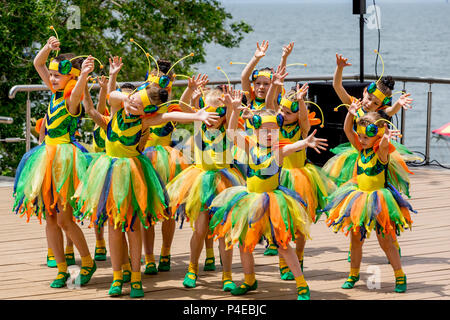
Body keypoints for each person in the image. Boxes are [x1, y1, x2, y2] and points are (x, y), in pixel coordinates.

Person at [75, 61, 220, 297]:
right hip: (108, 172)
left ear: (145, 111)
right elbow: (110, 96)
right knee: (113, 225)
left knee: (132, 226)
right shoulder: (114, 111)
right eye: (132, 99)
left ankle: (135, 277)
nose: (132, 103)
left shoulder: (144, 121)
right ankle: (116, 277)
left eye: (138, 104)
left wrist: (198, 115)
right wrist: (113, 80)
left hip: (132, 173)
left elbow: (169, 114)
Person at [209, 103, 328, 300]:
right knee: (244, 244)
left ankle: (301, 284)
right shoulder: (250, 146)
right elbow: (230, 133)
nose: (271, 135)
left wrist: (305, 143)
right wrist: (235, 110)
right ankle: (249, 279)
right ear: (255, 130)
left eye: (274, 130)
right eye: (265, 131)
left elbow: (292, 146)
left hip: (273, 203)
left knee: (283, 245)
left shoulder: (277, 151)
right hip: (249, 200)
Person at [13, 36, 96, 288]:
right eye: (51, 76)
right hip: (46, 158)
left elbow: (79, 89)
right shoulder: (54, 92)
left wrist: (82, 75)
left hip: (65, 161)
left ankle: (87, 261)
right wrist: (48, 48)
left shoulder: (71, 101)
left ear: (69, 79)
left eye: (57, 76)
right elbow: (38, 64)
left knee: (64, 220)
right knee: (50, 218)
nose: (51, 78)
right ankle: (61, 269)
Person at [323, 101, 416, 293]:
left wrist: (385, 139)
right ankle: (353, 274)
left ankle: (400, 275)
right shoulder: (360, 149)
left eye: (367, 137)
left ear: (378, 136)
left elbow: (383, 146)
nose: (362, 140)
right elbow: (348, 131)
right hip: (358, 199)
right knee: (355, 239)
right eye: (361, 136)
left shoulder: (381, 152)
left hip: (380, 201)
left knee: (386, 242)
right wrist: (350, 114)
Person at [166, 85, 246, 291]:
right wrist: (192, 96)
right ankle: (192, 268)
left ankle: (227, 275)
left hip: (225, 183)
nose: (214, 117)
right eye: (208, 112)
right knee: (200, 230)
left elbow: (232, 120)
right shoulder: (198, 128)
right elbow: (186, 112)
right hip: (200, 181)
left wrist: (233, 109)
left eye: (219, 113)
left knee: (224, 232)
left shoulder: (228, 131)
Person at [265, 66, 336, 279]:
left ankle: (300, 255)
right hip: (279, 176)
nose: (283, 115)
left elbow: (305, 119)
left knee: (300, 223)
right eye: (282, 111)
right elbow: (269, 106)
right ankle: (284, 263)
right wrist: (275, 85)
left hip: (301, 178)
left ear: (296, 115)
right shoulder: (275, 125)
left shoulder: (301, 129)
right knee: (282, 222)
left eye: (288, 113)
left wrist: (302, 101)